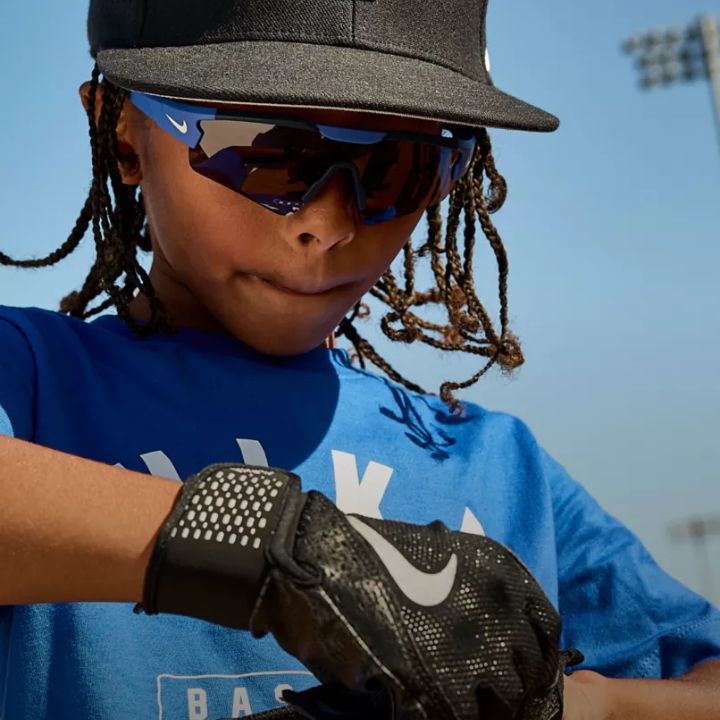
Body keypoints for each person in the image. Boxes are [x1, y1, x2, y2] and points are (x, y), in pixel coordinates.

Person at [1, 1, 719, 719]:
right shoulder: (31, 381)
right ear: (121, 132)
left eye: (394, 168)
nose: (330, 224)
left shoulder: (501, 467)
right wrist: (272, 545)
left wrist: (587, 707)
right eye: (266, 151)